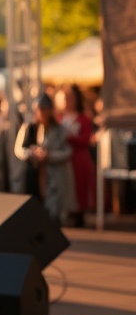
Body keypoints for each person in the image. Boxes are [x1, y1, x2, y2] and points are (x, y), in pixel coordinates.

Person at [14, 92, 73, 226]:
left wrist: (49, 155)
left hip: (52, 174)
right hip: (33, 173)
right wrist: (32, 153)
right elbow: (19, 149)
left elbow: (67, 151)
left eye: (45, 110)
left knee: (53, 209)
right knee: (33, 206)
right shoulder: (29, 127)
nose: (43, 113)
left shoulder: (58, 129)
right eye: (40, 110)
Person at [56, 84, 95, 227]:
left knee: (80, 186)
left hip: (79, 158)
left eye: (70, 97)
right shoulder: (59, 118)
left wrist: (69, 137)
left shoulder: (83, 119)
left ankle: (80, 214)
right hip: (64, 158)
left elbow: (85, 139)